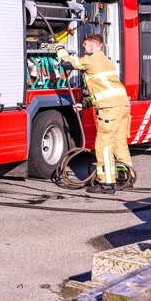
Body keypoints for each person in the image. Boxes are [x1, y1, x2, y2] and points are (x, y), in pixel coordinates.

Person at [56, 33, 131, 194]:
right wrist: (84, 104)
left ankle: (106, 183)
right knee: (119, 143)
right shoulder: (106, 61)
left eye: (85, 46)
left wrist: (59, 48)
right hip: (122, 106)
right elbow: (101, 90)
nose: (84, 49)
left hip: (110, 108)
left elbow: (67, 63)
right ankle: (126, 177)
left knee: (103, 145)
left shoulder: (91, 60)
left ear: (91, 46)